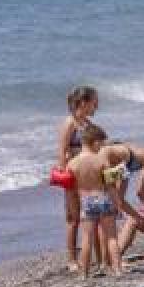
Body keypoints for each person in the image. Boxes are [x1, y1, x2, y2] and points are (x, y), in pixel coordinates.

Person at [68, 124, 141, 278]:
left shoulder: (72, 164)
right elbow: (111, 185)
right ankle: (117, 270)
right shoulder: (101, 160)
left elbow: (71, 190)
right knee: (112, 237)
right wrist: (118, 204)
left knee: (87, 238)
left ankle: (84, 274)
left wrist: (73, 208)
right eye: (100, 143)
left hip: (86, 202)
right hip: (103, 199)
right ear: (94, 142)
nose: (101, 147)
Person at [54, 86, 98, 272]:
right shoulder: (69, 123)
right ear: (83, 103)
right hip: (72, 174)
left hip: (87, 175)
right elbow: (62, 151)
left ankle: (92, 255)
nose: (96, 106)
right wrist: (65, 174)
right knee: (73, 217)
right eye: (94, 102)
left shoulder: (87, 124)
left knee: (89, 214)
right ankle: (72, 259)